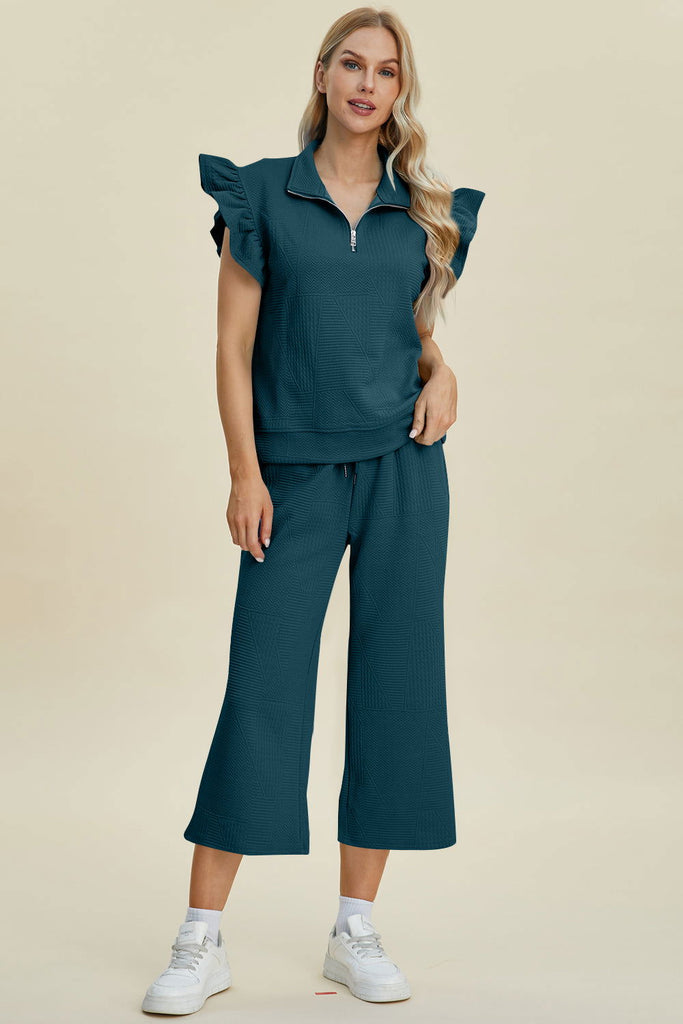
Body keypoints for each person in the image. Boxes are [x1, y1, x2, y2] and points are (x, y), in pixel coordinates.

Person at [141, 7, 485, 1015]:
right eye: (351, 64)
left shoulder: (422, 207)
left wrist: (442, 369)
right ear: (324, 76)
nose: (367, 83)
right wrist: (243, 474)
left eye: (386, 70)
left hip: (403, 469)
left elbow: (406, 326)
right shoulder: (261, 195)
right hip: (291, 472)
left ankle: (354, 928)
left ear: (399, 89)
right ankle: (200, 937)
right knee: (263, 690)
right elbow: (232, 345)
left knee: (395, 685)